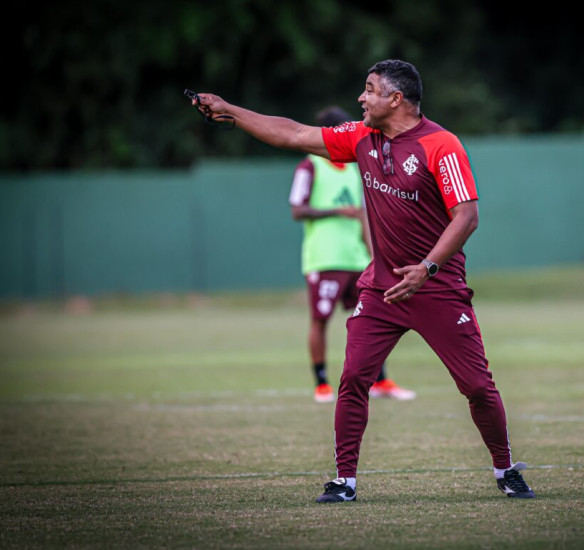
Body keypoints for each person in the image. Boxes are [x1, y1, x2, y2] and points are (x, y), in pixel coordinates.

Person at [190, 59, 535, 502]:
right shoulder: (360, 137)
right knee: (353, 377)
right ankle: (344, 481)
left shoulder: (441, 144)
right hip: (381, 289)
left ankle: (506, 470)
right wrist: (230, 110)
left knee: (476, 387)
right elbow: (293, 133)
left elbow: (466, 216)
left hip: (437, 287)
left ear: (395, 99)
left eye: (369, 90)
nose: (361, 98)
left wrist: (427, 268)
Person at [289, 105, 416, 403]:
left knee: (374, 319)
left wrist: (376, 254)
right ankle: (321, 382)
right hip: (325, 258)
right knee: (320, 320)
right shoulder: (309, 166)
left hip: (358, 259)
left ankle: (381, 380)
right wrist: (336, 211)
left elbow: (364, 216)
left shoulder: (355, 167)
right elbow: (297, 210)